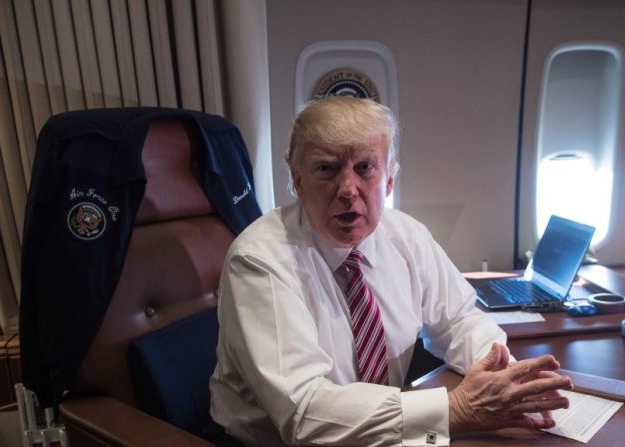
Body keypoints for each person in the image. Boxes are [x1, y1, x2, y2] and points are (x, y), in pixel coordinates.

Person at [209, 96, 572, 446]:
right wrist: (456, 409)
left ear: (390, 179)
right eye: (326, 169)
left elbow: (458, 319)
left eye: (365, 167)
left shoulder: (406, 236)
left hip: (382, 428)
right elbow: (303, 412)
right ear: (297, 179)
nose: (348, 189)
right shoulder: (260, 262)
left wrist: (503, 376)